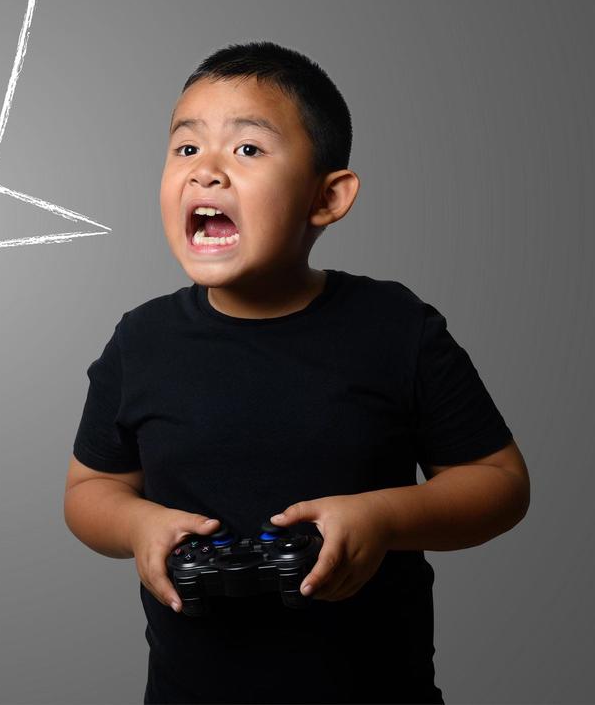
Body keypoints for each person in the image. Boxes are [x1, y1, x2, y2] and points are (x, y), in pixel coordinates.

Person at [63, 41, 531, 704]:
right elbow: (89, 490)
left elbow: (501, 484)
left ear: (327, 197)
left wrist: (384, 520)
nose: (208, 173)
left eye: (247, 149)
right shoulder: (141, 341)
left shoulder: (396, 328)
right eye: (186, 149)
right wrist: (137, 526)